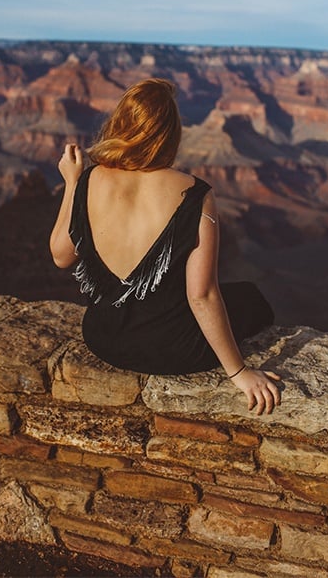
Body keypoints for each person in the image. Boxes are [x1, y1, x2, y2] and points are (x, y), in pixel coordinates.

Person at [48, 78, 281, 415]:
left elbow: (60, 256)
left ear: (119, 124)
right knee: (250, 299)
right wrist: (239, 373)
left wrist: (72, 183)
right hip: (172, 350)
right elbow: (201, 295)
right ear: (170, 133)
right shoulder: (196, 194)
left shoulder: (90, 178)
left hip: (103, 338)